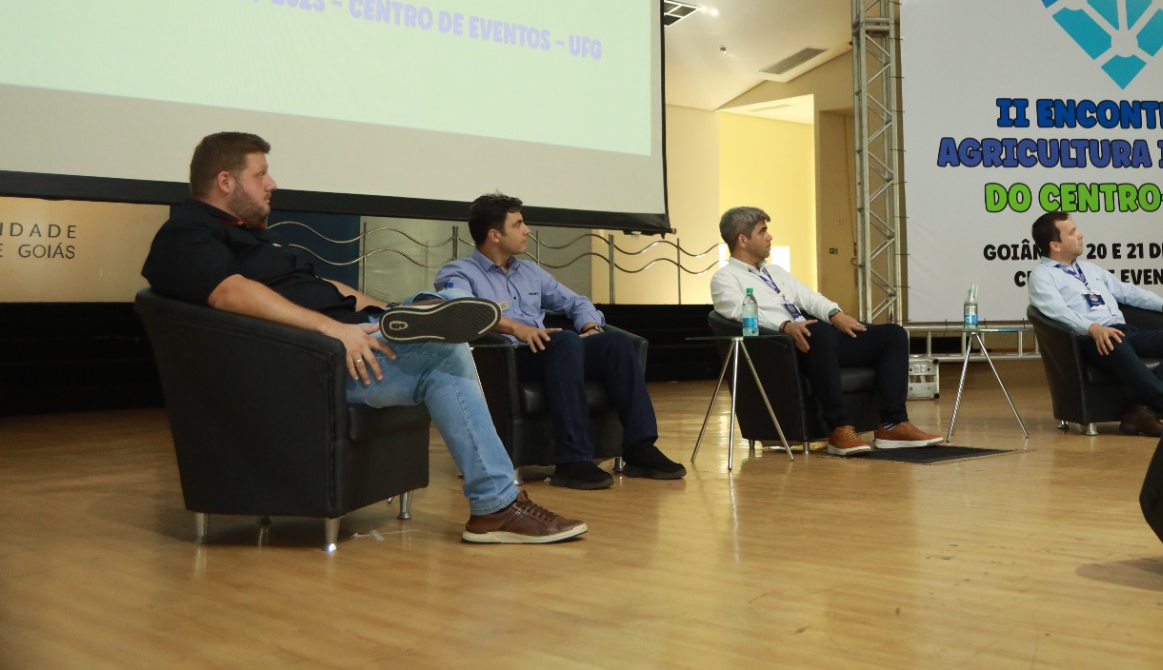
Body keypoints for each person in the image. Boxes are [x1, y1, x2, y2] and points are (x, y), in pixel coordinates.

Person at [141, 132, 586, 545]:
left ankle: (420, 313)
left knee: (445, 303)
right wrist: (336, 330)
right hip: (314, 362)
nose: (271, 184)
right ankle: (496, 506)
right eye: (260, 175)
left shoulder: (254, 240)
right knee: (443, 356)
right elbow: (229, 293)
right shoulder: (187, 233)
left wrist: (384, 313)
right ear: (224, 181)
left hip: (352, 336)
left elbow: (328, 289)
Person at [434, 193, 685, 490]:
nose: (527, 230)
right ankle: (572, 460)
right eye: (518, 224)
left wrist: (591, 326)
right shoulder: (459, 272)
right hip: (508, 356)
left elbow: (575, 301)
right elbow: (460, 310)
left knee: (615, 344)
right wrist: (516, 328)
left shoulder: (529, 272)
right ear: (494, 235)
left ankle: (639, 448)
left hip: (552, 350)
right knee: (564, 342)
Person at [709, 206, 942, 456]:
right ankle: (839, 428)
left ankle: (893, 424)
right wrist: (784, 326)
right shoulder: (725, 278)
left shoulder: (775, 272)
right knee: (818, 332)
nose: (769, 237)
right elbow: (738, 311)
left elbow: (810, 298)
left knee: (893, 335)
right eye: (762, 231)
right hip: (782, 347)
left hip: (817, 340)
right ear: (742, 240)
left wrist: (835, 314)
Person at [1027, 212, 1163, 437]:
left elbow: (1128, 292)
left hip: (1123, 332)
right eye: (1072, 232)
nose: (1080, 235)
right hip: (1088, 339)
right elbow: (1057, 311)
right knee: (1115, 341)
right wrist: (1093, 328)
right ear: (1055, 245)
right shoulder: (1042, 276)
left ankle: (1141, 412)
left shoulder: (1090, 269)